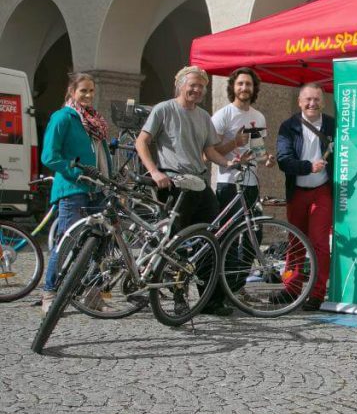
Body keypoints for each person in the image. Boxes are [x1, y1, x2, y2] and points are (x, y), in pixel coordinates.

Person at [135, 65, 240, 316]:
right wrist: (154, 172)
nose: (197, 90)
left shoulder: (203, 116)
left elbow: (209, 151)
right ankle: (179, 297)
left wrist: (228, 163)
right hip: (173, 183)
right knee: (176, 245)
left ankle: (210, 300)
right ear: (180, 85)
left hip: (199, 183)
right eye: (193, 85)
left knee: (211, 239)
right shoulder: (164, 109)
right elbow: (141, 141)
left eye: (202, 86)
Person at [41, 73, 111, 314]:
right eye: (83, 90)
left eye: (91, 90)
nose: (88, 95)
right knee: (67, 241)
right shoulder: (63, 117)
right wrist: (75, 171)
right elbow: (49, 156)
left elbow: (100, 155)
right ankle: (50, 292)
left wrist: (110, 178)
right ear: (72, 92)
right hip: (73, 189)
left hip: (97, 189)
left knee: (98, 244)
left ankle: (92, 294)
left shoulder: (95, 120)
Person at [276, 83, 335, 311]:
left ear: (323, 102)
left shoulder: (332, 125)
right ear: (299, 102)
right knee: (296, 241)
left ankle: (317, 293)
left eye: (317, 99)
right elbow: (283, 160)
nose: (312, 104)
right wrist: (308, 167)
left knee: (319, 242)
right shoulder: (288, 126)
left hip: (322, 191)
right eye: (308, 99)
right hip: (298, 191)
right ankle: (291, 288)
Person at [211, 67, 275, 213]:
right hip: (229, 183)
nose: (244, 87)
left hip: (252, 184)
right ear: (232, 87)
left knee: (254, 227)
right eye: (240, 83)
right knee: (231, 228)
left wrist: (267, 160)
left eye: (248, 84)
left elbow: (258, 151)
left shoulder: (259, 117)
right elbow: (209, 153)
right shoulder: (223, 115)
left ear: (254, 88)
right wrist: (235, 143)